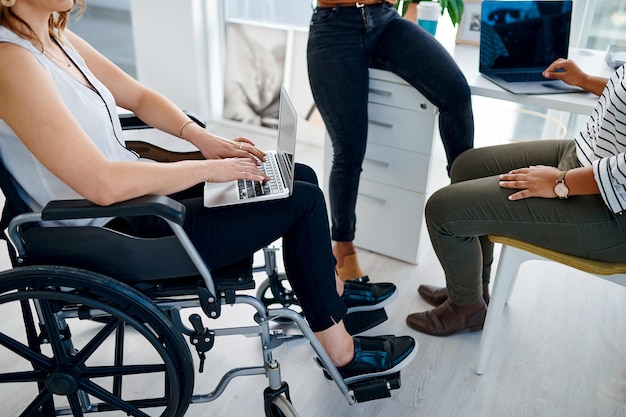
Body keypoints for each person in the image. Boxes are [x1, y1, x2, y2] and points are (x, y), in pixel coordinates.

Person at [0, 0, 417, 381]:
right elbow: (101, 184)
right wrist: (207, 169)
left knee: (294, 173)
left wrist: (202, 140)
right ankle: (342, 355)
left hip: (138, 195)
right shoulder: (11, 62)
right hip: (115, 232)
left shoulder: (56, 37)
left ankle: (332, 293)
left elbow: (140, 98)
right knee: (301, 201)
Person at [406, 57, 626, 336]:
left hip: (611, 210)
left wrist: (560, 182)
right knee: (466, 167)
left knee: (442, 212)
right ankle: (473, 292)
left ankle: (466, 310)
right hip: (584, 155)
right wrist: (584, 80)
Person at [307, 0, 474, 280]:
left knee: (457, 93)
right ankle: (343, 249)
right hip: (333, 27)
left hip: (384, 20)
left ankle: (467, 197)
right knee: (348, 149)